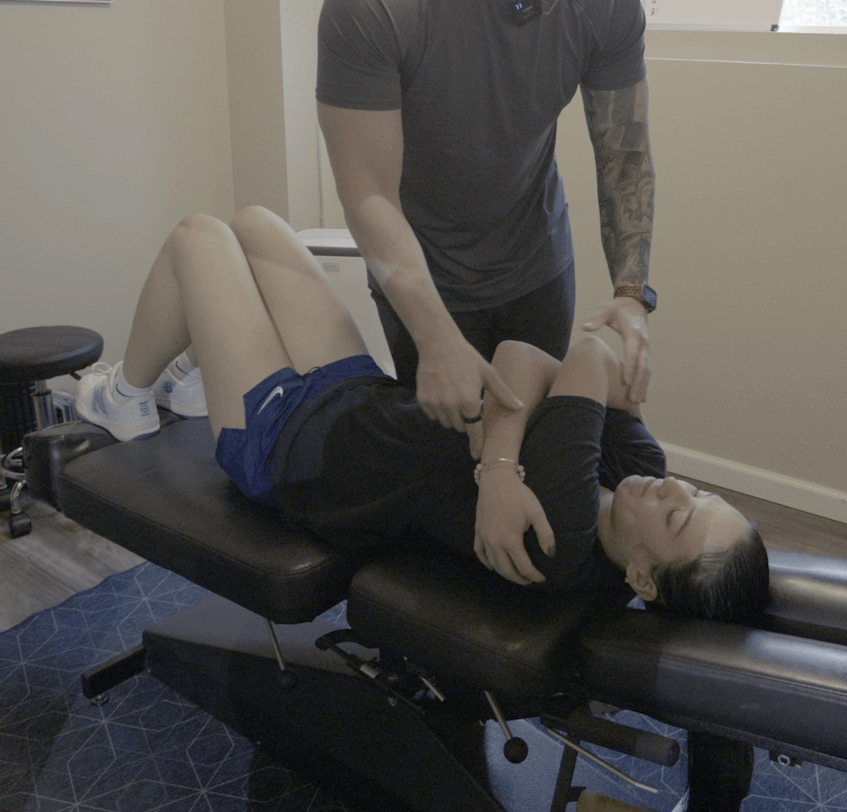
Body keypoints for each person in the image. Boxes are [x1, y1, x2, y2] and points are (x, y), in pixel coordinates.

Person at [71, 206, 766, 618]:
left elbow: (583, 356)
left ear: (642, 578)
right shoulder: (640, 471)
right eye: (697, 491)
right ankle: (197, 369)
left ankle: (126, 396)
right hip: (362, 399)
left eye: (677, 516)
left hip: (294, 452)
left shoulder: (567, 528)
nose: (674, 487)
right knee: (255, 225)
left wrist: (508, 435)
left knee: (197, 235)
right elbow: (522, 355)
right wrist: (498, 463)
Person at [317, 0, 656, 441]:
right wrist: (436, 336)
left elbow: (624, 152)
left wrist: (630, 296)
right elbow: (369, 195)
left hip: (537, 266)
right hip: (425, 278)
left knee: (540, 457)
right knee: (452, 473)